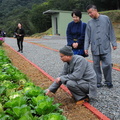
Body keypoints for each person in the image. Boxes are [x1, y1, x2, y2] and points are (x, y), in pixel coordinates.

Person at [84, 5, 117, 88]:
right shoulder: (89, 23)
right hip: (95, 48)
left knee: (108, 64)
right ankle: (98, 82)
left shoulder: (106, 18)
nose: (90, 14)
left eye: (90, 12)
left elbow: (111, 31)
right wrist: (86, 47)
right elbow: (87, 36)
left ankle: (108, 81)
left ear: (96, 10)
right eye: (88, 13)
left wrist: (114, 43)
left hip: (105, 46)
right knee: (96, 66)